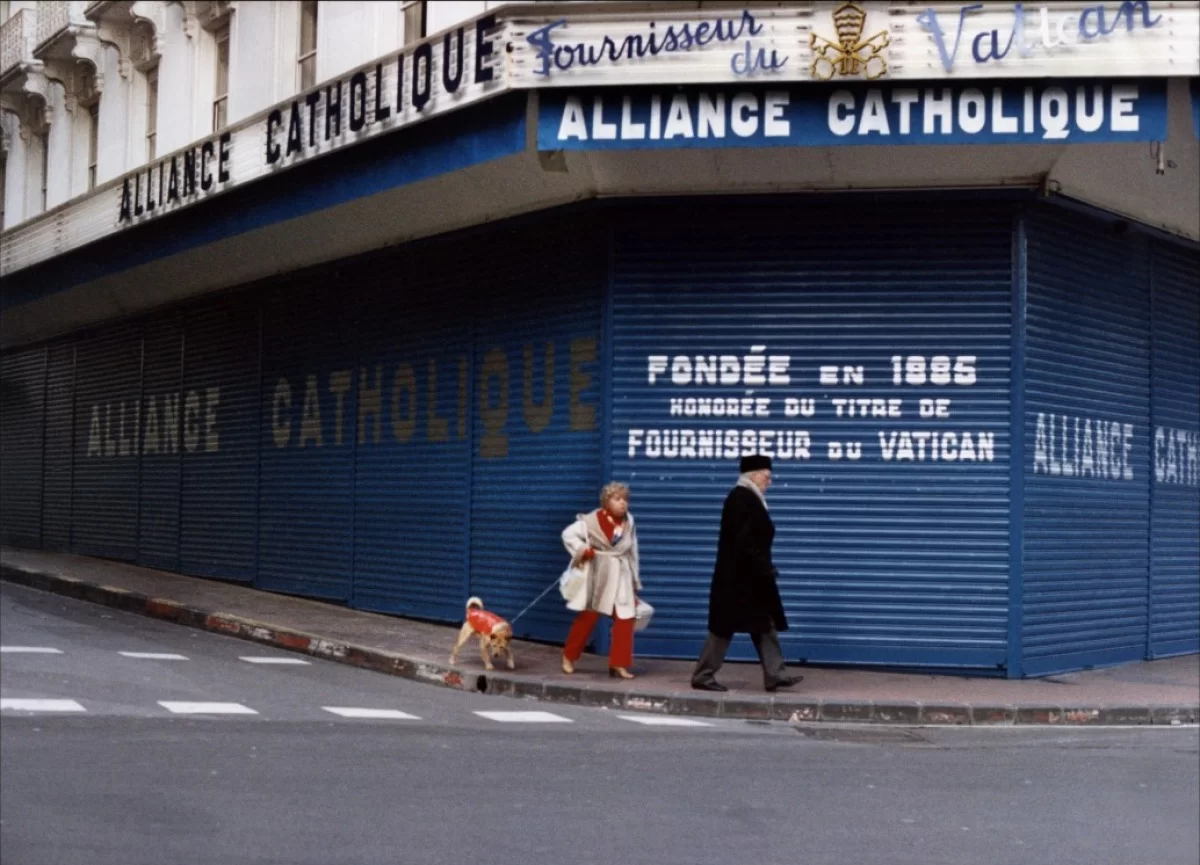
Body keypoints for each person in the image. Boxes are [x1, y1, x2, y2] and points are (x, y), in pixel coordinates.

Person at [691, 455, 802, 693]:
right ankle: (703, 675)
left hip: (751, 577)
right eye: (767, 476)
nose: (770, 482)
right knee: (722, 628)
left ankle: (776, 674)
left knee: (764, 624)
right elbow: (743, 539)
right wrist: (763, 565)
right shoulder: (740, 498)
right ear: (753, 475)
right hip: (738, 578)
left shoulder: (750, 498)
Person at [560, 481, 641, 680]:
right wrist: (582, 550)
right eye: (617, 499)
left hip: (621, 576)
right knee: (588, 618)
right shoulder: (590, 521)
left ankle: (618, 664)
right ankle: (569, 656)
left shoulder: (629, 521)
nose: (623, 503)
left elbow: (633, 552)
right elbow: (568, 534)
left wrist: (634, 582)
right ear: (606, 501)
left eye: (625, 499)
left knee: (625, 619)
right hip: (598, 575)